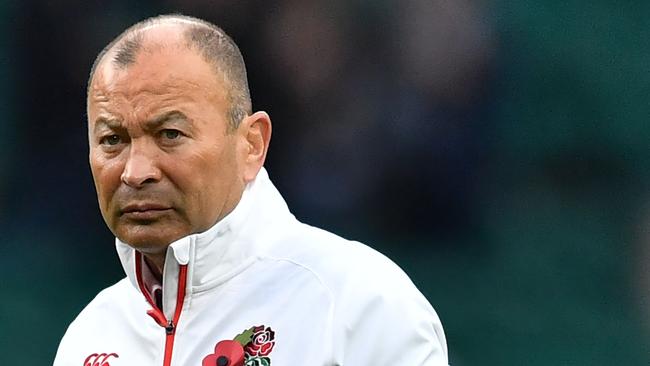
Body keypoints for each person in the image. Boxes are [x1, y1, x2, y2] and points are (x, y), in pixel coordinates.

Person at [54, 14, 448, 366]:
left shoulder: (358, 303)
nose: (135, 172)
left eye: (170, 134)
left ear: (251, 145)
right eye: (111, 140)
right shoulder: (90, 336)